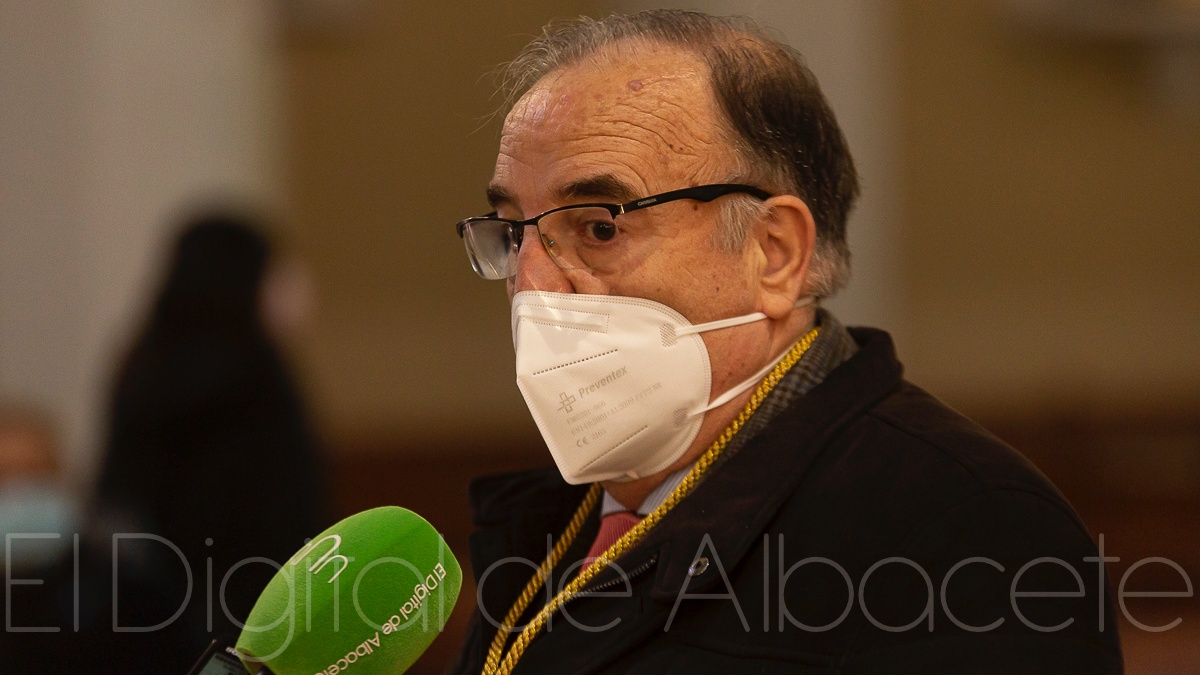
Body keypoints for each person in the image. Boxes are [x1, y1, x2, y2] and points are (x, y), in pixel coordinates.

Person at [448, 10, 1123, 675]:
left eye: (599, 227)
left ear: (774, 254)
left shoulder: (968, 530)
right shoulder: (555, 518)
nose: (533, 284)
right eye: (513, 233)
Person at [94, 210, 328, 672]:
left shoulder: (143, 363)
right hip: (256, 620)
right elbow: (287, 518)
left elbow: (118, 496)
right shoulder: (257, 377)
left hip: (145, 624)